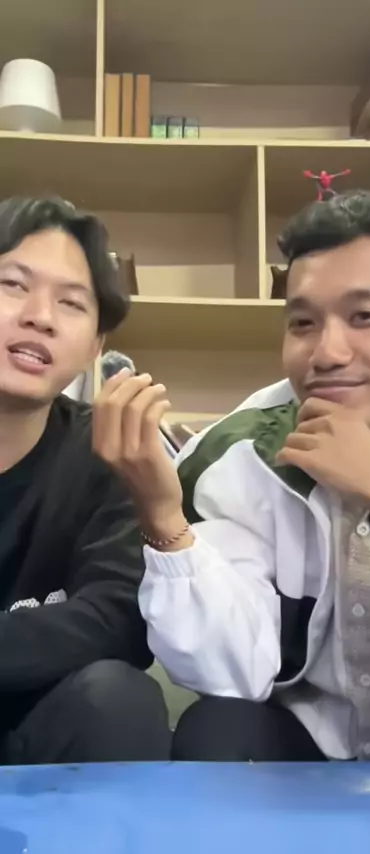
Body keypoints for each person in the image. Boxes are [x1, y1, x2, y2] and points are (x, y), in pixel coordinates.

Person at [94, 191, 370, 762]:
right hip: (302, 742)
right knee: (218, 729)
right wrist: (163, 518)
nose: (327, 352)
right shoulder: (236, 455)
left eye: (364, 317)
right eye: (303, 322)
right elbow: (232, 674)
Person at [0, 196, 170, 764]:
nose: (40, 317)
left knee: (119, 698)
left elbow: (120, 616)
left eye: (71, 303)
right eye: (12, 284)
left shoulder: (106, 452)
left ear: (97, 346)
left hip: (33, 739)